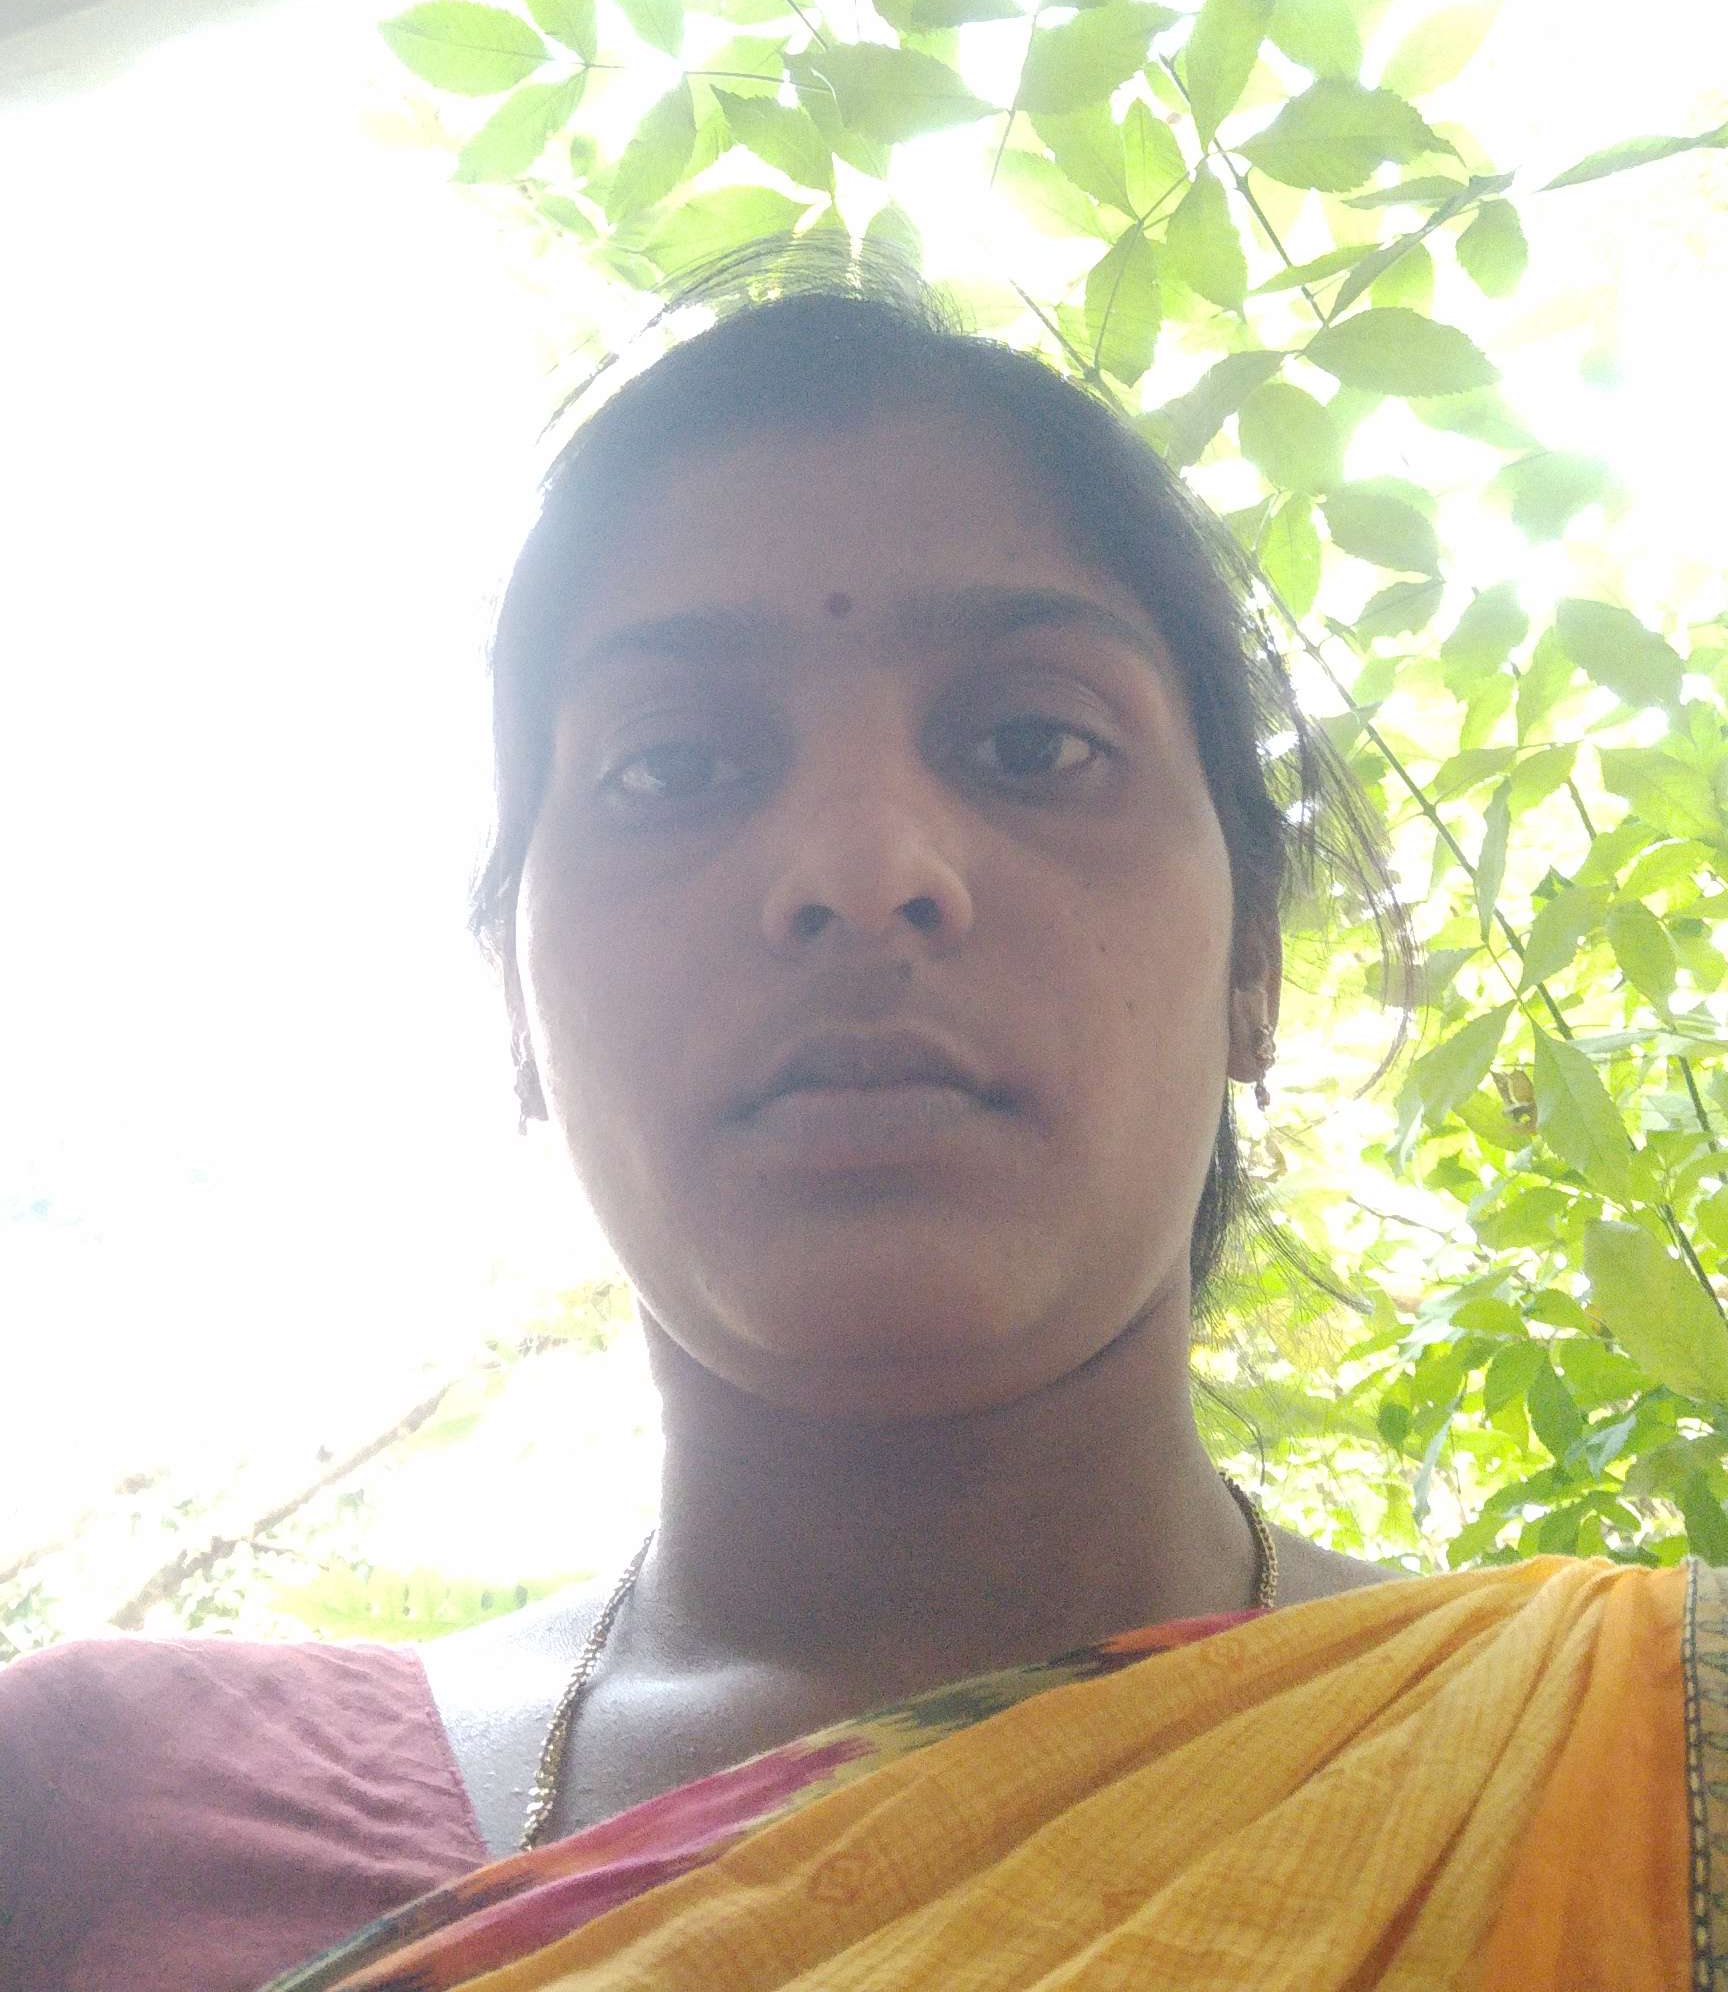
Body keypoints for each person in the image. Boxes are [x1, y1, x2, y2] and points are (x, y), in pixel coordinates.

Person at [0, 245, 1713, 1992]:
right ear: (519, 1004)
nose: (862, 868)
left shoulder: (1666, 1763)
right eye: (673, 765)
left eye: (1035, 742)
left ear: (1253, 966)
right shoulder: (86, 1814)